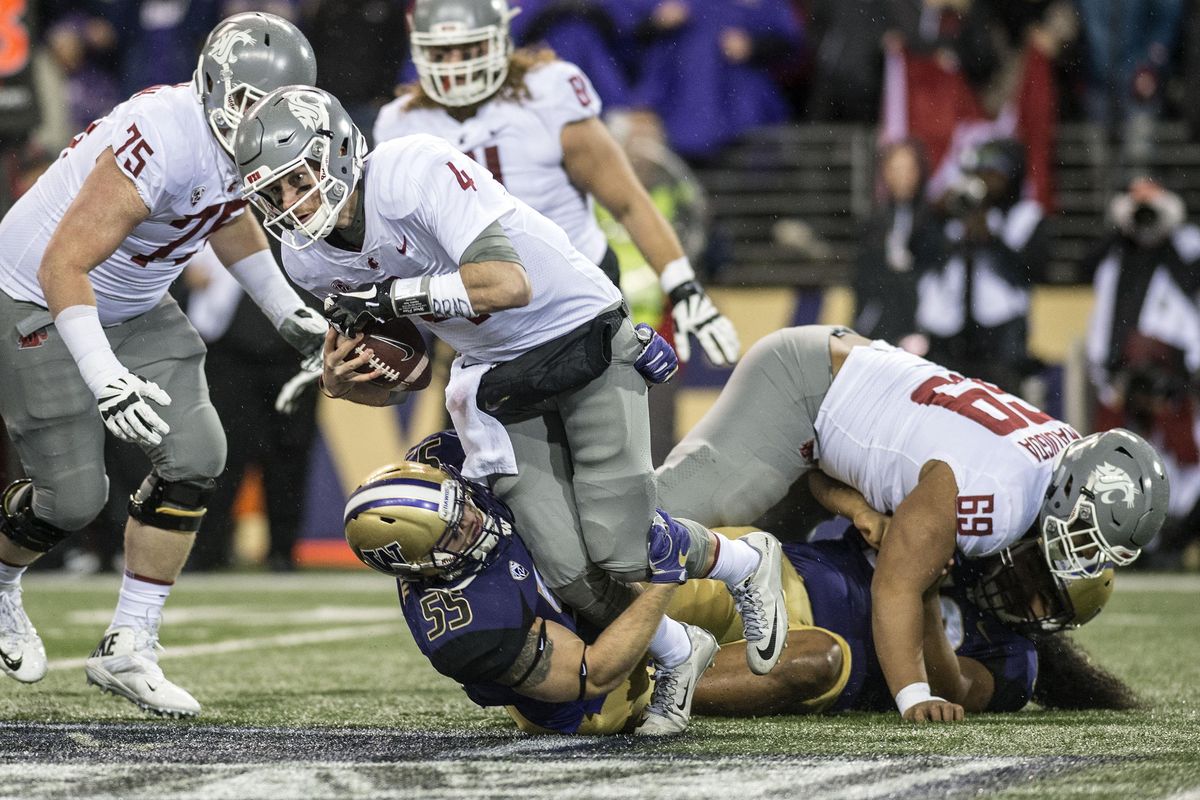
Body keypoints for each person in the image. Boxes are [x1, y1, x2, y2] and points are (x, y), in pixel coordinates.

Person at [233, 85, 786, 734]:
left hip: (580, 333)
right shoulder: (308, 256)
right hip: (495, 377)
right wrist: (350, 380)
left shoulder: (411, 169)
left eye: (296, 180)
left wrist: (387, 293)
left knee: (621, 543)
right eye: (270, 195)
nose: (288, 205)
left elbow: (507, 283)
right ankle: (675, 647)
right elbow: (407, 367)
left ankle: (750, 562)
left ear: (340, 150)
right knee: (565, 567)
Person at [0, 12, 327, 717]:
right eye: (243, 102)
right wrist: (104, 375)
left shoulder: (242, 142)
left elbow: (227, 212)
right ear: (210, 85)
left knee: (198, 453)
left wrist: (284, 309)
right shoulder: (165, 135)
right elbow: (64, 264)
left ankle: (130, 646)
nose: (254, 122)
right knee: (72, 500)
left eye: (269, 107)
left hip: (136, 300)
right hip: (33, 295)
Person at [655, 324, 1169, 722]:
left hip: (832, 378)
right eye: (1079, 536)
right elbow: (897, 584)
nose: (1028, 592)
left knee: (660, 548)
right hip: (807, 389)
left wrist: (862, 513)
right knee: (638, 531)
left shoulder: (1054, 448)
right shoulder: (1000, 503)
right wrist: (913, 695)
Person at [374, 0, 739, 367]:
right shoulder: (399, 124)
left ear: (500, 40)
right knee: (473, 419)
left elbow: (626, 200)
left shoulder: (549, 90)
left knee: (598, 416)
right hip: (483, 309)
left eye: (468, 49)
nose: (456, 65)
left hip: (577, 296)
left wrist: (683, 286)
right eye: (442, 52)